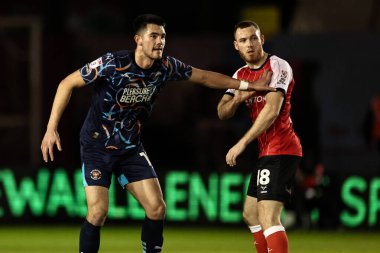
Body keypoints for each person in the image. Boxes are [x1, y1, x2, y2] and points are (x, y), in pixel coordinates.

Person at [40, 14, 274, 253]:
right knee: (98, 212)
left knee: (156, 208)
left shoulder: (166, 67)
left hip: (130, 148)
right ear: (138, 40)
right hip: (97, 146)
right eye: (153, 36)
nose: (160, 41)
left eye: (163, 36)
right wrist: (51, 128)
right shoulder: (112, 63)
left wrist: (248, 85)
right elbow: (66, 83)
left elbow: (204, 76)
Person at [217, 21, 302, 253]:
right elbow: (222, 112)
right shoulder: (240, 74)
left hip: (282, 148)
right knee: (250, 214)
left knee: (268, 217)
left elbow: (272, 111)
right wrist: (243, 95)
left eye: (253, 38)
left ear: (262, 39)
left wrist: (241, 143)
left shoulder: (277, 66)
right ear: (236, 46)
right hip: (266, 151)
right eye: (243, 40)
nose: (249, 44)